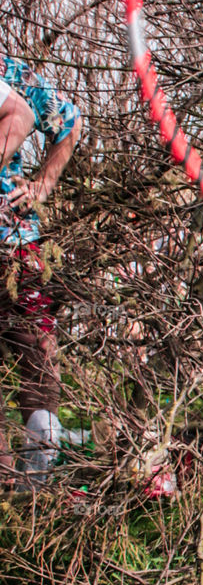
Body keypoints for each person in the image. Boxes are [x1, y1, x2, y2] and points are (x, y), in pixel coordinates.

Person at [0, 55, 82, 489]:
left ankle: (38, 479)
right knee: (36, 354)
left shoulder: (13, 75)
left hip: (14, 242)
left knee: (36, 352)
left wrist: (43, 185)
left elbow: (64, 120)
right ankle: (21, 491)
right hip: (18, 241)